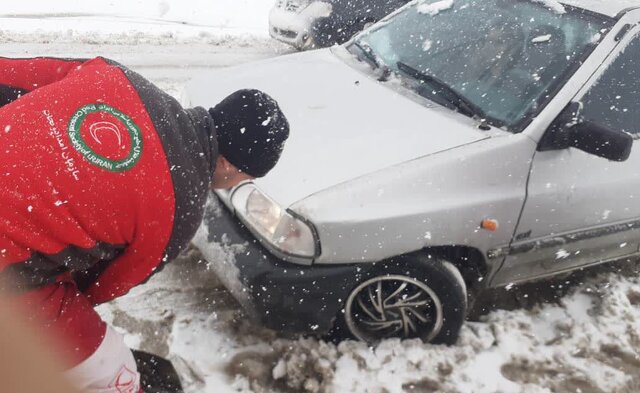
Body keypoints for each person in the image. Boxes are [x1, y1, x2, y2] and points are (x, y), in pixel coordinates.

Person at [0, 56, 290, 393]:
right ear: (227, 164)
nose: (233, 184)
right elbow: (95, 287)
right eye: (243, 178)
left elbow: (14, 76)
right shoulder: (179, 213)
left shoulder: (117, 76)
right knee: (115, 372)